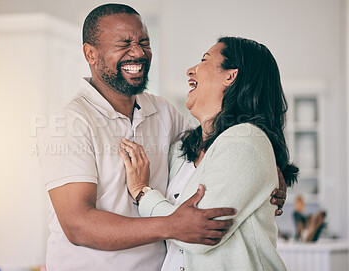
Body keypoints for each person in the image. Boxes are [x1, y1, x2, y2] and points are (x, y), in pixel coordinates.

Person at [37, 4, 286, 271]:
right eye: (124, 44)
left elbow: (213, 153)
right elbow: (78, 225)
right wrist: (173, 225)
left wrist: (270, 171)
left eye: (144, 42)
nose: (138, 52)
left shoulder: (164, 113)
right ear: (91, 54)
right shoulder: (70, 122)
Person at [119, 37, 298, 271]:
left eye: (204, 60)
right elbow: (180, 224)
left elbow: (198, 233)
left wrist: (142, 192)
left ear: (230, 76)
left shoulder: (246, 140)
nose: (190, 70)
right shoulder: (183, 149)